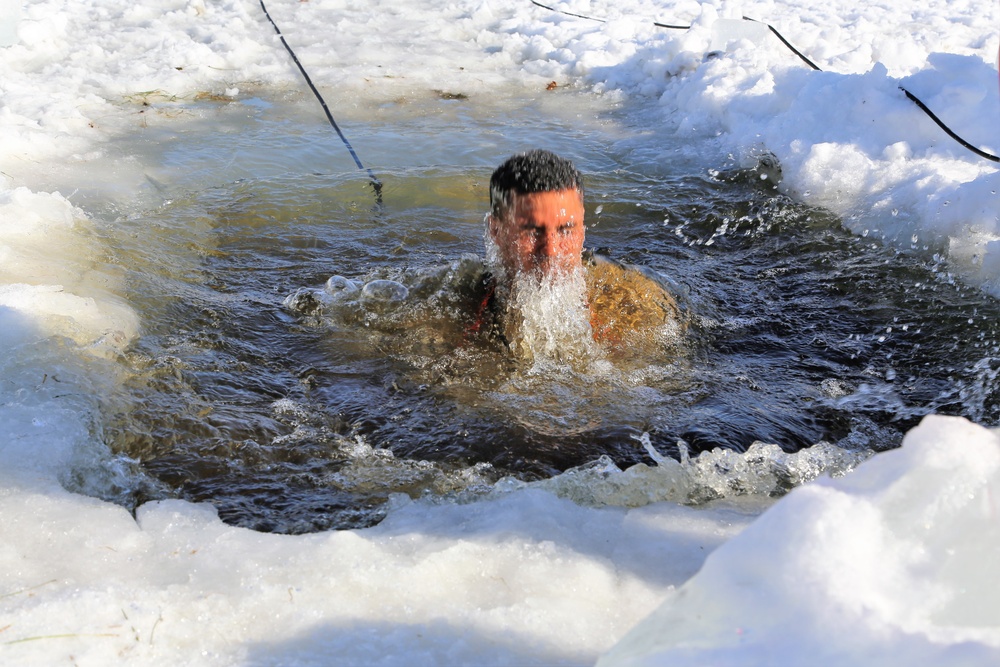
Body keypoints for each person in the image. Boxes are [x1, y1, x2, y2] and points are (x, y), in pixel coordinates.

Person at [470, 149, 683, 354]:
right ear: (496, 230)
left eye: (566, 230)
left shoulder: (634, 302)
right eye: (532, 232)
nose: (551, 251)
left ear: (582, 228)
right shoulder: (455, 307)